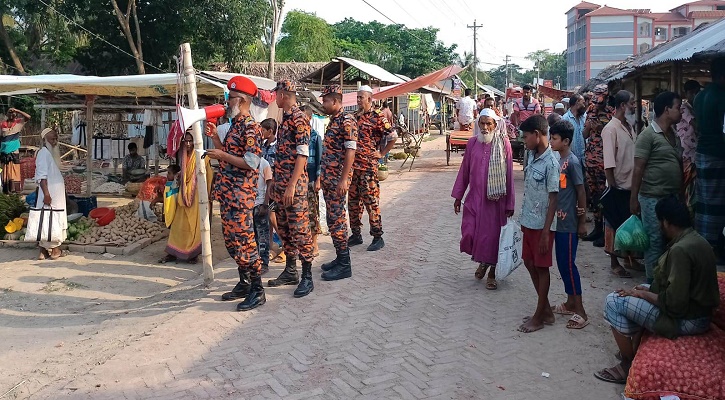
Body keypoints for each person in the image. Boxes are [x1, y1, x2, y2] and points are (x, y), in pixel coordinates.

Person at [594, 197, 720, 384]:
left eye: (660, 222)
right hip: (698, 313)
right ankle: (631, 349)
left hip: (689, 320)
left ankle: (627, 364)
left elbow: (674, 303)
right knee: (639, 288)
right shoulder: (697, 239)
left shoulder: (681, 251)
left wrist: (643, 295)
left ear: (667, 222)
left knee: (613, 301)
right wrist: (641, 292)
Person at [205, 75, 266, 311]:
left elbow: (251, 162)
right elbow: (230, 154)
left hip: (241, 195)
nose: (227, 103)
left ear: (241, 101)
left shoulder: (251, 128)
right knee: (232, 243)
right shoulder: (235, 126)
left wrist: (221, 156)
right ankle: (244, 282)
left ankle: (257, 290)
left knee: (245, 243)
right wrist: (215, 140)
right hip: (228, 194)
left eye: (230, 99)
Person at [452, 109, 515, 290]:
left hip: (495, 202)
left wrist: (510, 203)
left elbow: (509, 174)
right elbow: (465, 170)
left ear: (495, 125)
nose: (486, 127)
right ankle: (483, 262)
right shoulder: (472, 143)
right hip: (475, 198)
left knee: (492, 237)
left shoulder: (504, 144)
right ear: (478, 124)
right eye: (482, 123)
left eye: (489, 124)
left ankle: (492, 272)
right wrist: (458, 195)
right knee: (470, 233)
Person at [266, 80, 315, 298]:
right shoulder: (284, 120)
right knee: (285, 230)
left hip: (294, 188)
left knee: (300, 231)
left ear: (284, 95)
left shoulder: (299, 119)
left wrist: (292, 186)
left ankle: (307, 277)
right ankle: (291, 270)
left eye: (275, 94)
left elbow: (302, 155)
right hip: (281, 186)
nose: (274, 97)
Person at [630, 91, 683, 283]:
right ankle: (652, 282)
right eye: (678, 107)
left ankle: (665, 278)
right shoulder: (648, 136)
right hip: (652, 197)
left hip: (671, 197)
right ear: (667, 110)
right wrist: (633, 199)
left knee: (670, 240)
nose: (681, 112)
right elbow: (638, 169)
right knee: (654, 240)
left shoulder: (673, 135)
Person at [518, 115, 559, 333]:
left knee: (542, 268)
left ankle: (539, 316)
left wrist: (546, 232)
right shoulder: (532, 156)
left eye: (526, 137)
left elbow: (554, 198)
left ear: (537, 134)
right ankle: (546, 311)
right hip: (529, 221)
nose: (524, 141)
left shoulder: (552, 162)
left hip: (542, 225)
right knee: (528, 262)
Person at [549, 120, 589, 329]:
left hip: (570, 223)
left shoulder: (572, 162)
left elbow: (581, 191)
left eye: (554, 138)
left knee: (569, 264)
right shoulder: (559, 160)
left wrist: (582, 222)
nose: (551, 142)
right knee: (562, 263)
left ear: (565, 141)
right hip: (559, 221)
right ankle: (570, 301)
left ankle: (581, 310)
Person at [350, 85, 397, 251]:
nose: (358, 100)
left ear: (369, 99)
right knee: (353, 203)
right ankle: (356, 234)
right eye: (357, 97)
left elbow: (393, 136)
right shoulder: (355, 117)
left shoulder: (378, 117)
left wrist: (382, 152)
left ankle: (377, 236)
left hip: (368, 167)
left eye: (360, 97)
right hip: (354, 167)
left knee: (371, 202)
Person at [319, 85, 358, 281]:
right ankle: (339, 257)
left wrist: (344, 179)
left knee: (337, 219)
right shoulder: (334, 120)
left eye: (325, 100)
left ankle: (344, 264)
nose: (323, 104)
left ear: (335, 101)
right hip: (329, 179)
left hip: (337, 181)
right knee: (333, 219)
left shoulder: (347, 120)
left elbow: (350, 151)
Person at [602, 90, 642, 278]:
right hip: (617, 185)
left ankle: (628, 258)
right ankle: (614, 262)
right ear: (623, 105)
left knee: (628, 222)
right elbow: (609, 163)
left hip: (630, 183)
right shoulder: (610, 129)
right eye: (632, 103)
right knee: (614, 223)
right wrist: (613, 187)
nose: (634, 106)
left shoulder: (629, 126)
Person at [159, 131, 213, 264]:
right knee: (178, 224)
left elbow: (209, 175)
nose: (188, 144)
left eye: (190, 141)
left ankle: (191, 254)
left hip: (197, 196)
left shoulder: (202, 156)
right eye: (186, 141)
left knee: (193, 225)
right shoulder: (181, 156)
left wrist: (208, 195)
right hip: (183, 194)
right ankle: (173, 252)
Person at [694, 58, 725, 262]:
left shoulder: (700, 96)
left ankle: (704, 244)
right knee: (717, 204)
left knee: (703, 202)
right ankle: (713, 248)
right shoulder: (721, 96)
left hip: (702, 153)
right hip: (718, 154)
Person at [582, 85, 612, 246]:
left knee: (603, 197)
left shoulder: (611, 113)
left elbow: (613, 136)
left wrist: (601, 129)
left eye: (600, 101)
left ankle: (605, 232)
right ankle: (597, 227)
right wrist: (589, 127)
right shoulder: (591, 112)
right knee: (594, 197)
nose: (598, 104)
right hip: (590, 160)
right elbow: (584, 134)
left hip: (604, 162)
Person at [33, 128, 67, 260]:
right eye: (52, 139)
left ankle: (43, 251)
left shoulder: (49, 154)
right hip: (49, 194)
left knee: (47, 220)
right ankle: (55, 250)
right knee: (51, 220)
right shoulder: (43, 153)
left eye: (56, 139)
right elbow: (41, 177)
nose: (55, 141)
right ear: (44, 139)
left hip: (54, 194)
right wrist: (46, 194)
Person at [300, 105, 323, 258]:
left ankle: (315, 244)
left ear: (308, 118)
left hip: (311, 180)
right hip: (299, 181)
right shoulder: (298, 136)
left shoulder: (315, 137)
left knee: (313, 214)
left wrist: (318, 180)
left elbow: (321, 161)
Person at [678, 80, 701, 212]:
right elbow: (696, 126)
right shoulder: (684, 108)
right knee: (688, 188)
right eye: (692, 93)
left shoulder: (694, 108)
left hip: (693, 154)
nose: (695, 95)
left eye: (697, 92)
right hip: (687, 154)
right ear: (687, 93)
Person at [1, 107, 30, 194]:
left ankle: (15, 192)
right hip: (4, 152)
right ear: (7, 114)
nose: (11, 114)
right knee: (5, 172)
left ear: (16, 115)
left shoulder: (18, 123)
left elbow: (28, 117)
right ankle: (7, 192)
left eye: (13, 113)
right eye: (10, 112)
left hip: (14, 152)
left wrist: (17, 110)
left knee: (14, 172)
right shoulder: (2, 124)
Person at [253, 156, 273, 275]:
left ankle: (264, 263)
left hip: (259, 204)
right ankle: (255, 262)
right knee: (253, 236)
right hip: (249, 205)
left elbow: (269, 184)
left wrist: (265, 204)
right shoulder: (245, 162)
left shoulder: (264, 164)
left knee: (262, 236)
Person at [562, 93, 587, 164]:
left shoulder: (584, 117)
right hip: (571, 160)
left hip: (584, 159)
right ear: (577, 103)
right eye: (583, 103)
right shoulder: (565, 119)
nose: (584, 106)